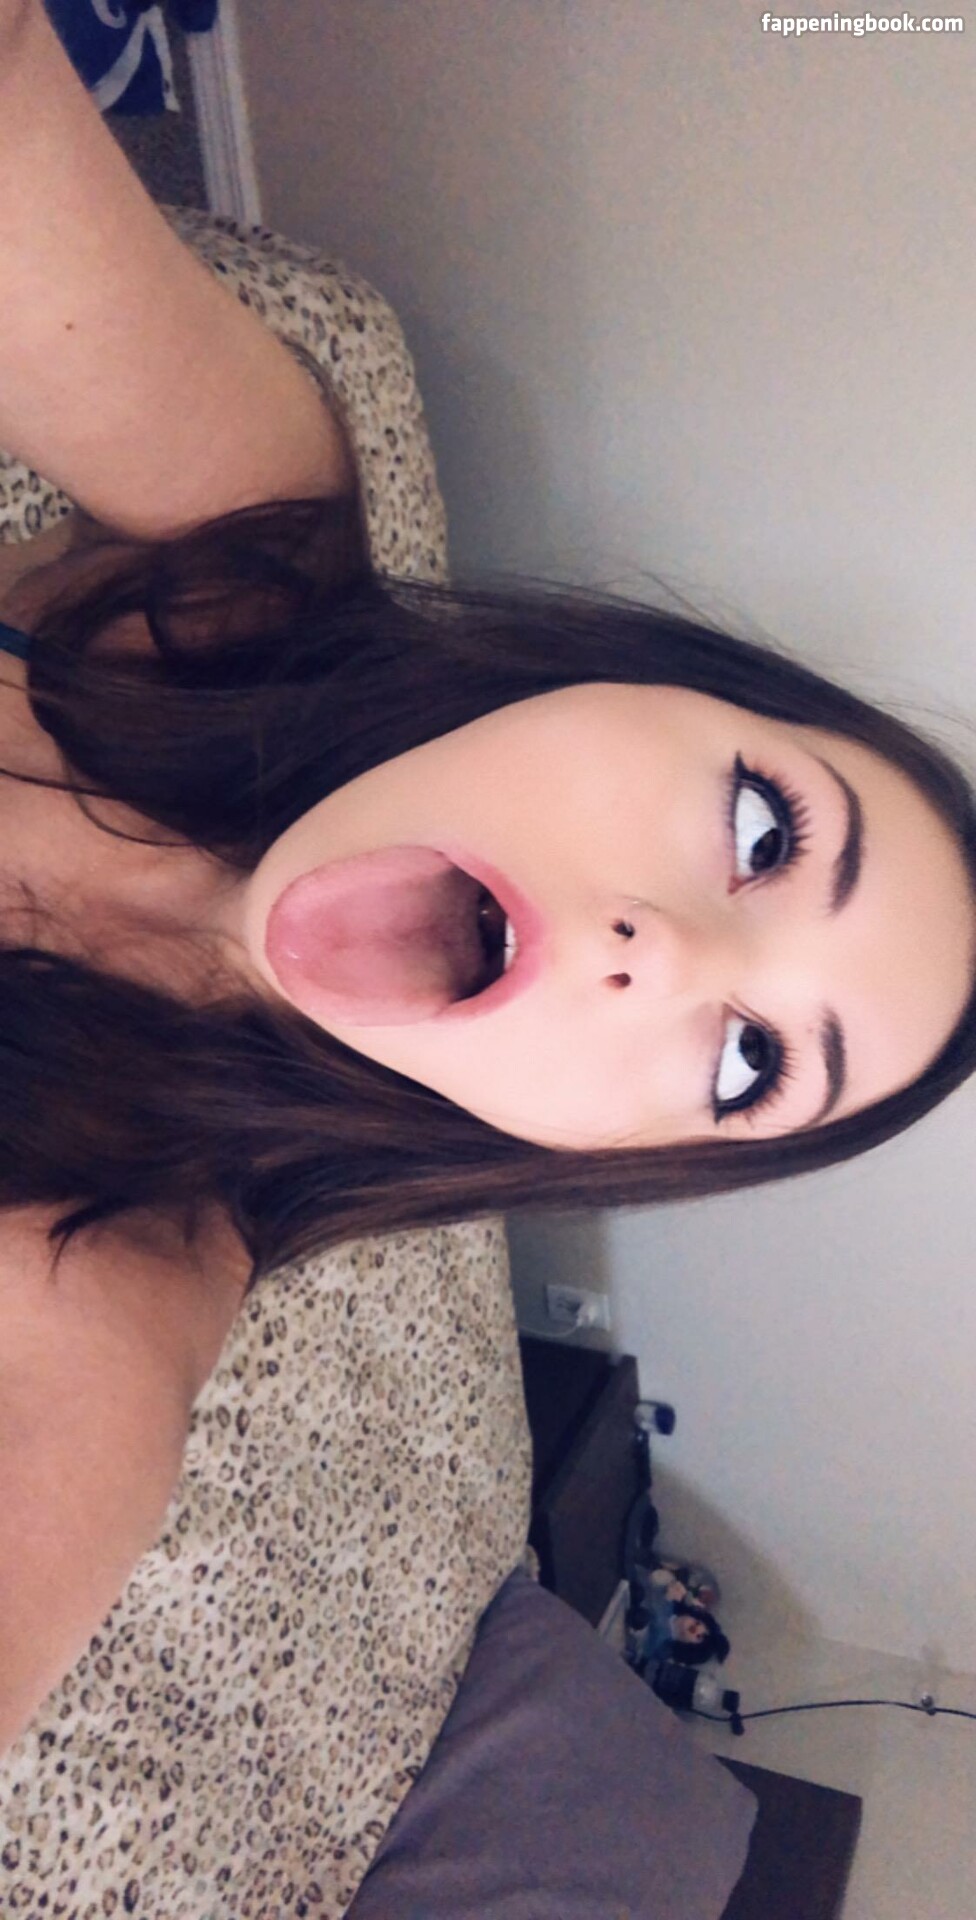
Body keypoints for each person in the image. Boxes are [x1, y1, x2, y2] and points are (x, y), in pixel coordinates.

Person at [1, 0, 974, 1757]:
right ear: (643, 682)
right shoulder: (242, 540)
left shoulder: (122, 1290)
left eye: (747, 1062)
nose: (657, 948)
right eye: (765, 832)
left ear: (616, 1155)